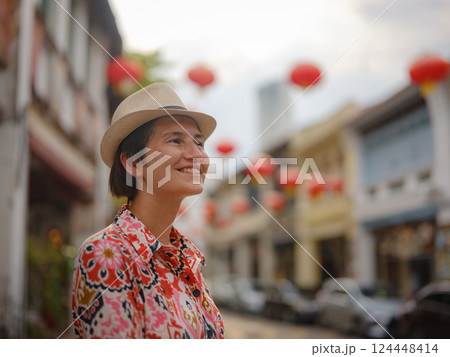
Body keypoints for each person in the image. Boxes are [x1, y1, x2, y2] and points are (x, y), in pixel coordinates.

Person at [71, 82, 225, 338]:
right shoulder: (106, 255)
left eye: (199, 143)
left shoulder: (187, 261)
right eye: (175, 140)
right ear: (133, 162)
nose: (196, 154)